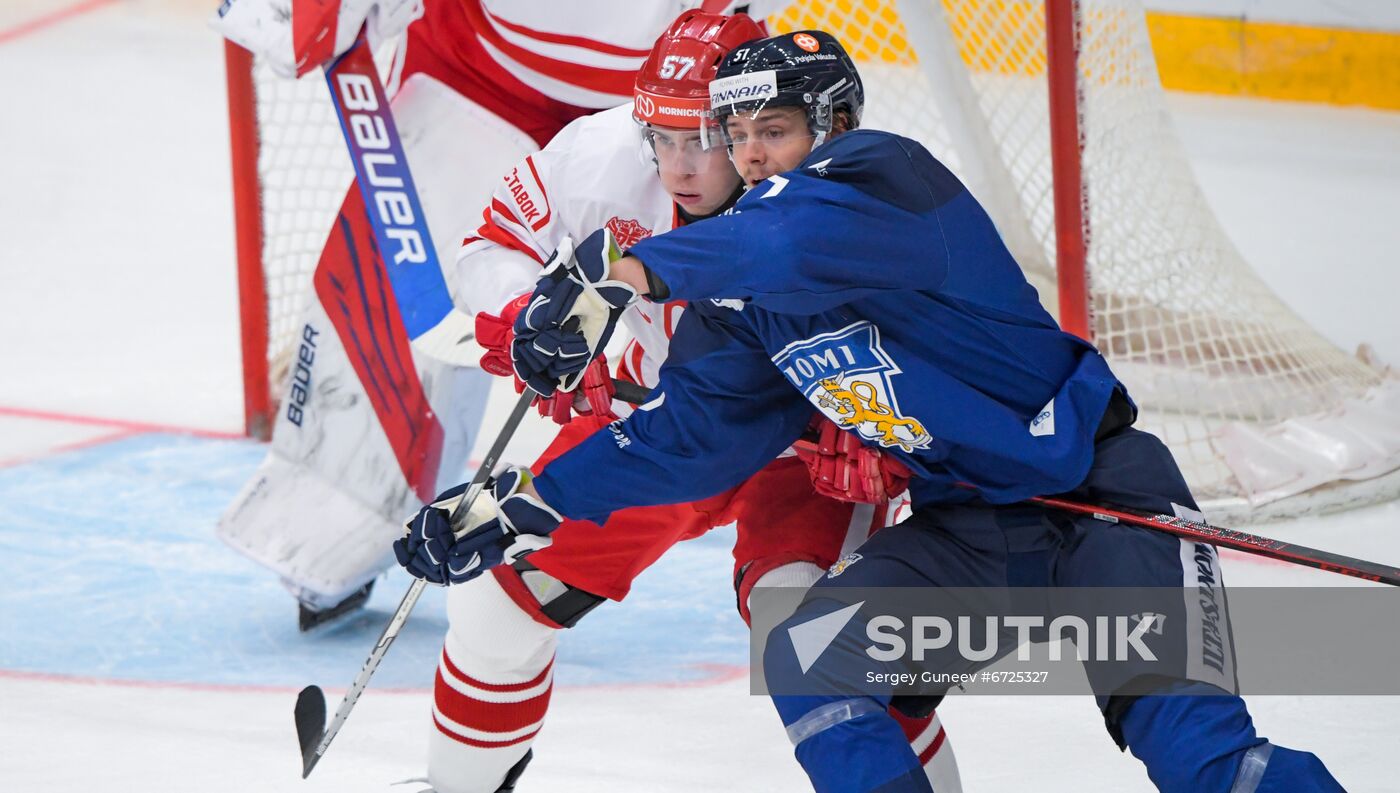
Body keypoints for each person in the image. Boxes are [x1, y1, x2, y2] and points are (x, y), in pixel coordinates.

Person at [396, 29, 1346, 793]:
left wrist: (624, 268)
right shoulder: (748, 300)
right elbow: (685, 439)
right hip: (974, 534)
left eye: (775, 129)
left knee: (1204, 760)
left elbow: (789, 234)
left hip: (1111, 507)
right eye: (738, 136)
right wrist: (525, 499)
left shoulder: (888, 181)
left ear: (837, 122)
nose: (749, 154)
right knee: (812, 656)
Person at [402, 11, 960, 793]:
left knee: (814, 635)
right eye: (659, 137)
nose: (676, 166)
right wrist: (538, 319)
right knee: (498, 607)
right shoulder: (600, 156)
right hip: (655, 428)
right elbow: (490, 245)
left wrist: (887, 431)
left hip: (797, 454)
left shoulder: (850, 200)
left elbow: (953, 343)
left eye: (700, 138)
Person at [210, 0, 784, 629]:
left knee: (741, 371)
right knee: (393, 312)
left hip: (713, 104)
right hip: (481, 68)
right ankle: (338, 511)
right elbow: (494, 246)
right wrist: (523, 314)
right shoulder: (602, 149)